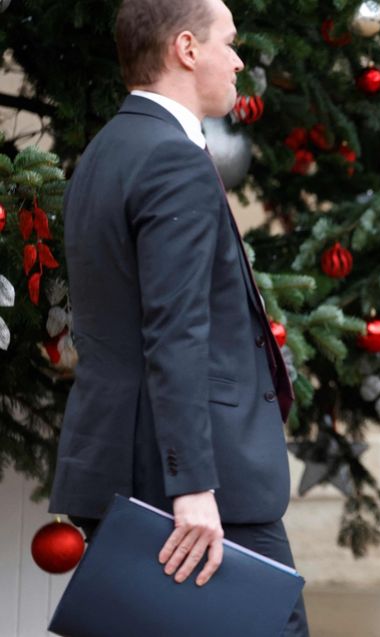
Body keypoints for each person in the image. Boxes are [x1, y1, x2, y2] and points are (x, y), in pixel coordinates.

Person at [48, 0, 307, 633]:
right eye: (230, 42)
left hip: (122, 464)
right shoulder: (173, 159)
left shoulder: (105, 152)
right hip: (194, 489)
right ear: (187, 50)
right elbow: (175, 331)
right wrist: (192, 487)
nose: (239, 59)